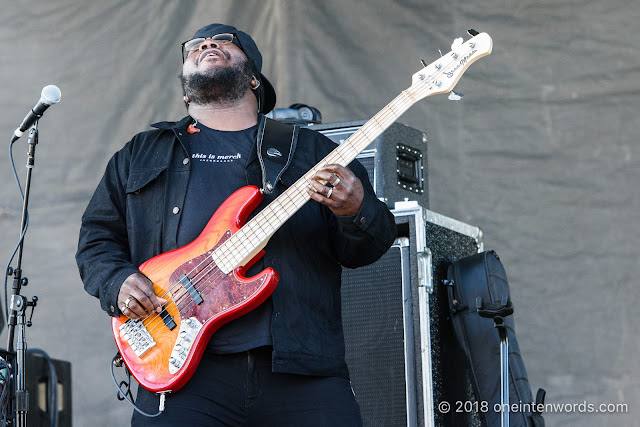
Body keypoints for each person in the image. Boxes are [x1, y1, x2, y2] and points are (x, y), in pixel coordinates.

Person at [76, 23, 397, 426]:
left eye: (225, 42)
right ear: (185, 88)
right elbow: (96, 239)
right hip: (182, 371)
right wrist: (117, 282)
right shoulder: (141, 153)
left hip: (302, 371)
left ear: (253, 78)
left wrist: (356, 208)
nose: (207, 44)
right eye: (195, 46)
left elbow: (368, 247)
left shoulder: (310, 151)